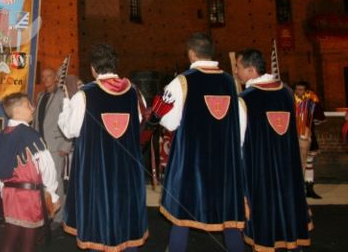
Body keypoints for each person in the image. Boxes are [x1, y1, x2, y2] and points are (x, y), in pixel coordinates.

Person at [153, 33, 245, 252]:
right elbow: (239, 121)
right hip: (224, 159)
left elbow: (170, 121)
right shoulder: (230, 81)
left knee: (182, 212)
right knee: (229, 217)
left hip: (192, 159)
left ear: (191, 53)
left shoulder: (182, 81)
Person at [58, 44, 148, 251]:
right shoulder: (135, 93)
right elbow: (141, 121)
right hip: (126, 169)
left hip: (96, 171)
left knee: (96, 219)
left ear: (93, 68)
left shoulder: (83, 95)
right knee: (127, 218)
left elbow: (70, 130)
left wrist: (65, 104)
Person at [236, 49, 311, 251]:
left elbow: (238, 140)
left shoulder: (245, 99)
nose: (236, 72)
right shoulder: (287, 92)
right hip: (288, 167)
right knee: (289, 214)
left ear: (251, 70)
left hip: (260, 170)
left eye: (239, 68)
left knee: (266, 223)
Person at [0, 92, 59, 252]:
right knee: (29, 241)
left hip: (9, 195)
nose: (33, 108)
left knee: (10, 237)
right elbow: (47, 167)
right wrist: (52, 194)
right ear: (18, 110)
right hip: (28, 197)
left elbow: (0, 173)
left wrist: (3, 193)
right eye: (29, 105)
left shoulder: (2, 135)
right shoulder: (30, 135)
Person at [33, 67, 72, 229]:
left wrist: (66, 144)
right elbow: (36, 121)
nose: (46, 79)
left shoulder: (62, 96)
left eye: (49, 76)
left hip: (56, 146)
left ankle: (58, 218)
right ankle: (45, 212)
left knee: (56, 183)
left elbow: (69, 121)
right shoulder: (40, 96)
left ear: (56, 78)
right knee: (42, 181)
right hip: (40, 146)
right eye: (43, 76)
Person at [294, 81, 325, 199]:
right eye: (297, 89)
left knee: (309, 161)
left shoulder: (312, 101)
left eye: (302, 89)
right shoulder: (290, 100)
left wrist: (310, 124)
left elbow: (320, 118)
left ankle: (310, 188)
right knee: (297, 163)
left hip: (308, 135)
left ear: (306, 90)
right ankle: (298, 190)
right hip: (294, 136)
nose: (299, 91)